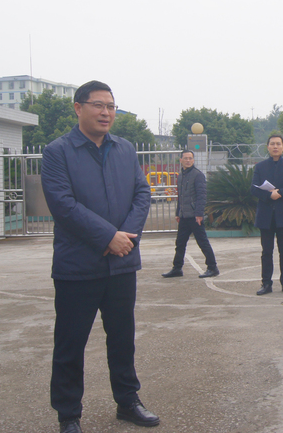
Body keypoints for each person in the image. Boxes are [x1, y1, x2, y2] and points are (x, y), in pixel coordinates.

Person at [41, 81, 159, 433]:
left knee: (122, 338)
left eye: (111, 106)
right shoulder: (57, 152)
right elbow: (62, 204)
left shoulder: (125, 149)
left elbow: (142, 193)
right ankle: (68, 415)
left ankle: (128, 401)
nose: (106, 112)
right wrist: (108, 237)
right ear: (78, 108)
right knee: (70, 344)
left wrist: (126, 238)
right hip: (78, 266)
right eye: (98, 105)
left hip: (122, 264)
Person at [251, 133, 283, 295]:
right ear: (267, 147)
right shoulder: (260, 167)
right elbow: (254, 189)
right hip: (265, 216)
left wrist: (280, 193)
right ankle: (266, 283)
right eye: (272, 144)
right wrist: (269, 196)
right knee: (266, 252)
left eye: (278, 144)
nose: (275, 147)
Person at [161, 150, 219, 279]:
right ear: (180, 160)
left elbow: (201, 196)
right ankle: (177, 268)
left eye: (190, 158)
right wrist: (178, 212)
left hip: (194, 216)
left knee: (202, 242)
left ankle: (212, 267)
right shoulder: (181, 175)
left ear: (193, 160)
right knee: (180, 243)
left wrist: (199, 214)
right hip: (183, 216)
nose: (188, 161)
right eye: (186, 158)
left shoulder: (198, 175)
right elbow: (180, 196)